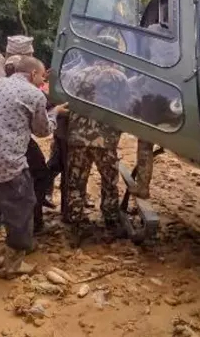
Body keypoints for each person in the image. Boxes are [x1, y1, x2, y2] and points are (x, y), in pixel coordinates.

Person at [0, 56, 66, 279]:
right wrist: (55, 113)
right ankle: (13, 265)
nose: (43, 81)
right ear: (33, 74)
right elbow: (42, 131)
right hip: (7, 164)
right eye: (42, 77)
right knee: (21, 209)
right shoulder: (34, 94)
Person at [62, 35, 131, 247]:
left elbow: (67, 103)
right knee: (109, 182)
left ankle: (75, 225)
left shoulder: (77, 76)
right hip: (105, 140)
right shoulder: (119, 78)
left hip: (78, 139)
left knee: (75, 182)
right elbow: (126, 107)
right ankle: (110, 222)